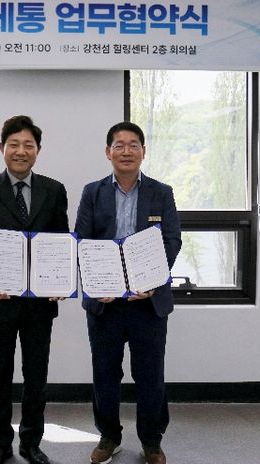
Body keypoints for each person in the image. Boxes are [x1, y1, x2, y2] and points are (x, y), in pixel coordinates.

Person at [0, 115, 69, 464]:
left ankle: (31, 442)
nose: (21, 151)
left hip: (39, 303)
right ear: (2, 148)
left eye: (28, 145)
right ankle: (1, 443)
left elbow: (60, 242)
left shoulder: (54, 190)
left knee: (36, 377)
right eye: (14, 144)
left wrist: (60, 280)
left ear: (38, 150)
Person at [74, 121, 181, 464]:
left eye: (133, 144)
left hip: (148, 302)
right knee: (105, 373)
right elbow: (83, 241)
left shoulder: (161, 192)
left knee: (150, 374)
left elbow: (171, 240)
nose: (126, 151)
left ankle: (151, 440)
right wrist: (98, 284)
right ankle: (109, 436)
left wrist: (151, 280)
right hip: (105, 303)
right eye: (119, 145)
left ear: (143, 152)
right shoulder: (92, 192)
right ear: (108, 152)